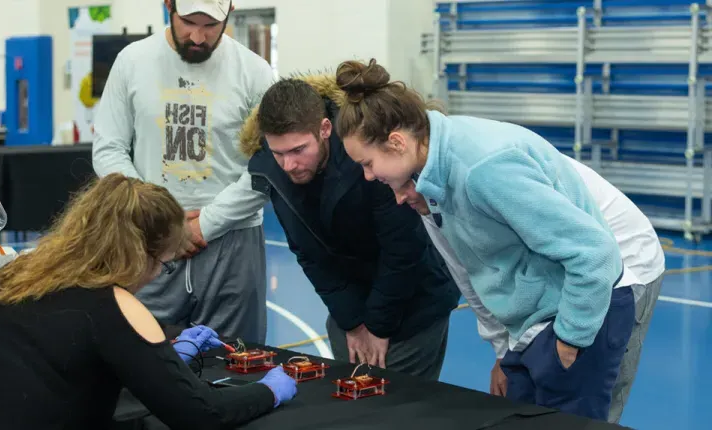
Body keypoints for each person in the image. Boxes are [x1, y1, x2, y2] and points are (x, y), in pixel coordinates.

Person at [334, 58, 643, 422]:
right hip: (533, 320)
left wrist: (570, 339)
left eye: (368, 163)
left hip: (573, 314)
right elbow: (470, 268)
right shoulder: (431, 171)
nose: (368, 176)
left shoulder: (483, 170)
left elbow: (594, 253)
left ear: (397, 142)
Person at [0, 174, 296, 429]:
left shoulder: (19, 272)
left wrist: (163, 359)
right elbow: (202, 414)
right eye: (163, 263)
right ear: (140, 255)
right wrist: (268, 391)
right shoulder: (112, 304)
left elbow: (57, 366)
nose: (158, 274)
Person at [393, 152, 665, 423]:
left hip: (623, 258)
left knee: (587, 406)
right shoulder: (427, 198)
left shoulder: (485, 177)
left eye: (405, 185)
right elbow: (470, 277)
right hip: (557, 274)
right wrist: (503, 351)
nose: (399, 197)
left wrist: (572, 340)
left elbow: (594, 254)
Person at [238, 77, 461, 380]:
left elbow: (404, 249)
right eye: (279, 153)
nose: (289, 165)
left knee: (399, 409)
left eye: (298, 150)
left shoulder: (368, 156)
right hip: (350, 308)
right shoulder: (273, 170)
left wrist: (379, 326)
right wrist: (353, 322)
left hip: (414, 302)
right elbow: (308, 253)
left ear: (325, 129)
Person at [92, 0, 276, 344]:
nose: (197, 36)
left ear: (229, 12)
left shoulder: (255, 72)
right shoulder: (132, 62)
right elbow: (108, 148)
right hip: (148, 237)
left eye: (210, 25)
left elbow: (267, 165)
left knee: (233, 363)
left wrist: (205, 224)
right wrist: (159, 217)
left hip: (232, 241)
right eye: (188, 21)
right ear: (168, 5)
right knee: (141, 362)